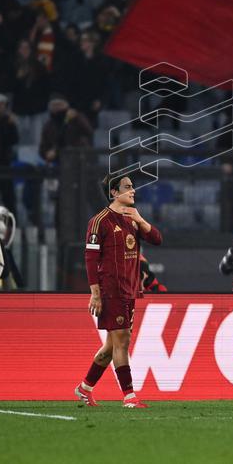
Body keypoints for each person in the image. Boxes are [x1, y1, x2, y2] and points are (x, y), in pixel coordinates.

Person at [76, 174, 162, 408]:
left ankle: (84, 388)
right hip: (110, 290)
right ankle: (129, 396)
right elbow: (90, 258)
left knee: (112, 345)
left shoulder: (132, 218)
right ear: (114, 192)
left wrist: (141, 219)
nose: (133, 190)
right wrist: (95, 293)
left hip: (130, 289)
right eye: (127, 187)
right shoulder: (100, 221)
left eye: (133, 186)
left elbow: (157, 239)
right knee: (122, 342)